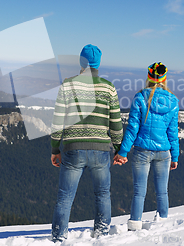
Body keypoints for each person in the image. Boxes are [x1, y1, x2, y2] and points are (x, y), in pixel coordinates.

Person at [50, 44, 124, 242]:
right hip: (100, 150)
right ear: (98, 64)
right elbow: (115, 123)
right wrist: (119, 149)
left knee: (65, 197)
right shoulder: (108, 87)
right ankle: (101, 234)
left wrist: (55, 149)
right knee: (102, 194)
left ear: (81, 63)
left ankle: (58, 237)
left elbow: (58, 120)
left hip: (73, 149)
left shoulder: (67, 85)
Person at [114, 62, 179, 231]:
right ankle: (163, 221)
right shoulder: (173, 101)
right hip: (164, 152)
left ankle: (135, 223)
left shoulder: (140, 97)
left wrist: (123, 151)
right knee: (162, 191)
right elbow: (173, 132)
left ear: (149, 77)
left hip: (142, 151)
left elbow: (132, 128)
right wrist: (175, 155)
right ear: (164, 79)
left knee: (139, 191)